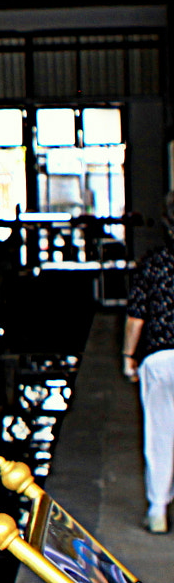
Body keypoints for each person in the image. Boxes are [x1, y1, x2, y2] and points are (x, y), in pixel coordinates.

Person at [122, 192, 174, 531]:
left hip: (160, 359)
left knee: (160, 435)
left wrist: (128, 358)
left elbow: (136, 318)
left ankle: (157, 511)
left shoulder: (153, 263)